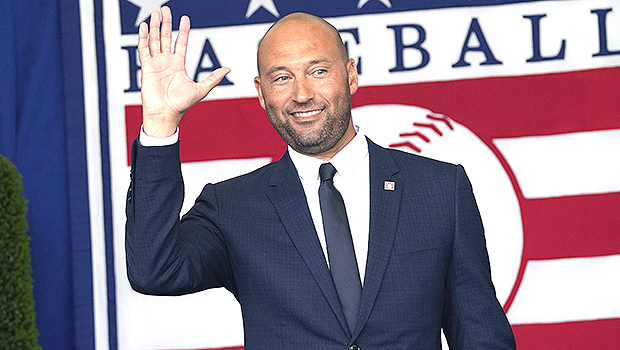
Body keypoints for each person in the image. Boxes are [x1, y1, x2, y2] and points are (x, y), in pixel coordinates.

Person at [126, 6, 516, 349]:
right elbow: (154, 269)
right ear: (261, 94)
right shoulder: (231, 206)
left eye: (318, 71)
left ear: (350, 76)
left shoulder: (439, 189)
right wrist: (161, 124)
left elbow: (479, 332)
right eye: (281, 78)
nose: (301, 94)